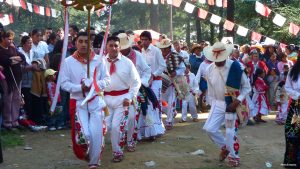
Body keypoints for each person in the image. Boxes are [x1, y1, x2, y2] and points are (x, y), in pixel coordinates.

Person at [60, 32, 110, 169]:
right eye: (80, 41)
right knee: (85, 134)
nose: (83, 44)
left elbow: (107, 79)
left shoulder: (100, 60)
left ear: (91, 43)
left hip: (96, 101)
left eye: (86, 41)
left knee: (97, 133)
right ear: (75, 43)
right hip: (78, 103)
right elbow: (63, 83)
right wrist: (80, 87)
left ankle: (94, 162)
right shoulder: (68, 62)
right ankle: (86, 152)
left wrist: (94, 85)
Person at [202, 42, 251, 167]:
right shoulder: (209, 69)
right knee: (209, 129)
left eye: (221, 59)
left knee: (230, 132)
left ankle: (233, 156)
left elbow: (247, 87)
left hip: (232, 104)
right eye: (215, 59)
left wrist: (237, 100)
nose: (218, 62)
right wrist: (211, 103)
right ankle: (226, 147)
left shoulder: (236, 67)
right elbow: (211, 90)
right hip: (217, 103)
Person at [104, 36, 141, 162]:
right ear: (106, 47)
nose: (113, 48)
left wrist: (130, 97)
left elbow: (136, 82)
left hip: (122, 99)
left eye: (116, 45)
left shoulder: (127, 62)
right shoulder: (100, 62)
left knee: (116, 126)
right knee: (105, 126)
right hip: (105, 99)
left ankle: (118, 151)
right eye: (111, 45)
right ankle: (93, 151)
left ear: (120, 47)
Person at [117, 33, 156, 145]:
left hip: (137, 89)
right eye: (121, 48)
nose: (123, 51)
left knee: (140, 112)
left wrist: (141, 83)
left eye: (125, 48)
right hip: (121, 91)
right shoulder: (115, 57)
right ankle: (124, 136)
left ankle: (144, 134)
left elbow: (147, 70)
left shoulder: (137, 55)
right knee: (123, 114)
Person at [140, 31, 166, 139]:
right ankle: (149, 130)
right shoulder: (141, 51)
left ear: (150, 41)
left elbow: (162, 66)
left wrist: (153, 75)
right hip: (144, 82)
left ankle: (157, 129)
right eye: (142, 40)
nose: (144, 42)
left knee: (155, 103)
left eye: (146, 39)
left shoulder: (156, 50)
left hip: (155, 81)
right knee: (146, 104)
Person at [157, 39, 186, 130]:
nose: (164, 50)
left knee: (171, 102)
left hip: (172, 83)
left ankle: (169, 121)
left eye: (166, 48)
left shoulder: (176, 56)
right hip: (160, 83)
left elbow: (183, 68)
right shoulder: (158, 56)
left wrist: (176, 72)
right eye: (162, 48)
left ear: (169, 48)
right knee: (159, 102)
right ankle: (172, 113)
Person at [0, 30, 25, 129]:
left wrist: (14, 59)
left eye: (11, 39)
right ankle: (7, 122)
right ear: (2, 38)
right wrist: (14, 59)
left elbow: (22, 57)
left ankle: (15, 121)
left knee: (16, 99)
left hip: (17, 77)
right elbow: (6, 61)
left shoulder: (12, 47)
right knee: (8, 100)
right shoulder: (1, 50)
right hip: (7, 79)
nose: (10, 41)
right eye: (8, 39)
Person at [283, 57, 300, 168]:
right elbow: (287, 87)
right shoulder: (293, 71)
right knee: (292, 134)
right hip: (296, 107)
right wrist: (298, 96)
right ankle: (292, 161)